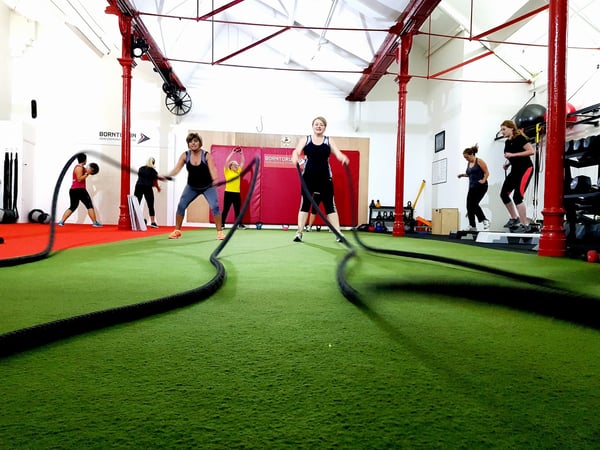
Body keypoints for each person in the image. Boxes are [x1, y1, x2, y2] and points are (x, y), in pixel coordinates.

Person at [290, 116, 349, 243]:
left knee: (330, 206)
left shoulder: (329, 141)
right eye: (316, 124)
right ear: (313, 126)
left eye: (321, 124)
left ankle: (338, 233)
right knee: (305, 204)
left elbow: (337, 153)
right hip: (308, 178)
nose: (319, 126)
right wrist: (294, 157)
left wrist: (342, 157)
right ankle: (299, 232)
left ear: (324, 127)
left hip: (325, 178)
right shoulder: (306, 139)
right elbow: (296, 151)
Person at [166, 132, 224, 240]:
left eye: (196, 141)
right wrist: (167, 175)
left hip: (208, 186)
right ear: (188, 144)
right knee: (181, 206)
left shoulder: (206, 155)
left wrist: (215, 180)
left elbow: (213, 170)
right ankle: (177, 231)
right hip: (192, 187)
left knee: (215, 206)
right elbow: (177, 169)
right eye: (191, 142)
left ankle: (220, 232)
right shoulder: (185, 155)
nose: (193, 143)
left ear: (200, 143)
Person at [499, 119, 535, 233]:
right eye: (501, 130)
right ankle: (514, 218)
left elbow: (531, 151)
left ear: (511, 128)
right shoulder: (507, 142)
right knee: (504, 194)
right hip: (515, 170)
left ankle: (525, 224)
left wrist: (513, 155)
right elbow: (513, 157)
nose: (502, 132)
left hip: (526, 169)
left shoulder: (520, 138)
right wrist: (508, 164)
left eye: (504, 129)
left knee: (517, 197)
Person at [58, 153, 102, 227]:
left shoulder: (82, 168)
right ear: (85, 160)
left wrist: (89, 172)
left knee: (73, 206)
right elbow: (79, 179)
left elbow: (89, 172)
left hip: (73, 190)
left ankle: (61, 222)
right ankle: (95, 223)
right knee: (89, 205)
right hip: (79, 190)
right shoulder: (79, 168)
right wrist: (87, 174)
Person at [457, 144, 490, 232]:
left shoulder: (479, 161)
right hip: (472, 187)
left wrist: (483, 180)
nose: (466, 159)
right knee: (469, 206)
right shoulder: (469, 163)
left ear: (472, 154)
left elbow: (487, 172)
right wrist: (463, 175)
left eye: (467, 157)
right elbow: (470, 174)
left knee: (474, 204)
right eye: (465, 158)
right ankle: (472, 225)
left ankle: (484, 220)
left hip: (481, 186)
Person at [134, 157, 165, 228]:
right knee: (150, 205)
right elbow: (155, 182)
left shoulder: (141, 168)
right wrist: (158, 188)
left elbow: (141, 178)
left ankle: (136, 220)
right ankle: (153, 222)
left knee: (137, 203)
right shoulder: (153, 171)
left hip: (138, 186)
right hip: (147, 187)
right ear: (153, 163)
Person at [222, 147, 246, 229]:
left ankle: (239, 224)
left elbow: (243, 162)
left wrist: (241, 153)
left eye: (237, 165)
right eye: (235, 165)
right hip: (228, 193)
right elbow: (226, 161)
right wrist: (232, 153)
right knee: (226, 209)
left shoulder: (238, 171)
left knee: (237, 210)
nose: (237, 166)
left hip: (236, 193)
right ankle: (222, 224)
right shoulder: (227, 171)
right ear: (231, 166)